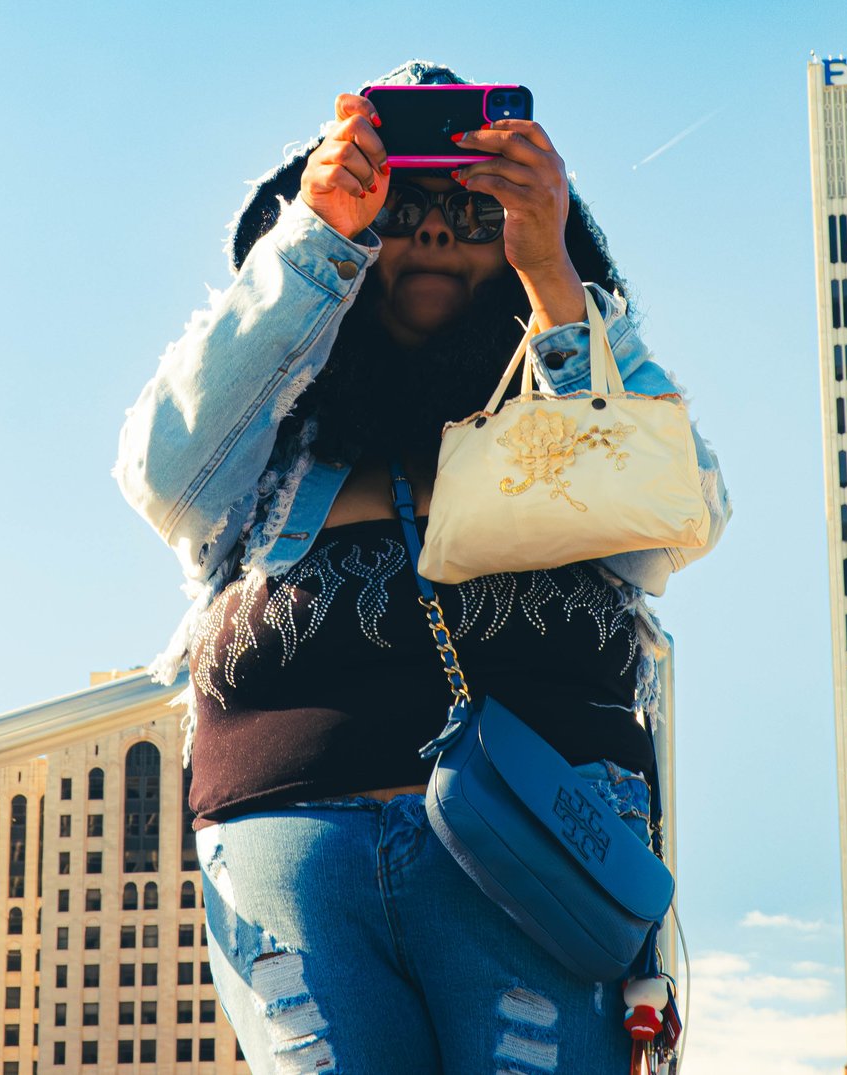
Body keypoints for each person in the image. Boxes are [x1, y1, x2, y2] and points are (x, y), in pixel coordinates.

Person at [114, 64, 729, 1075]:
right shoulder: (280, 446)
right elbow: (164, 472)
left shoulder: (568, 400)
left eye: (470, 208)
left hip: (536, 841)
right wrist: (320, 238)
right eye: (402, 206)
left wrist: (553, 276)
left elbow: (677, 510)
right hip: (288, 838)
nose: (435, 230)